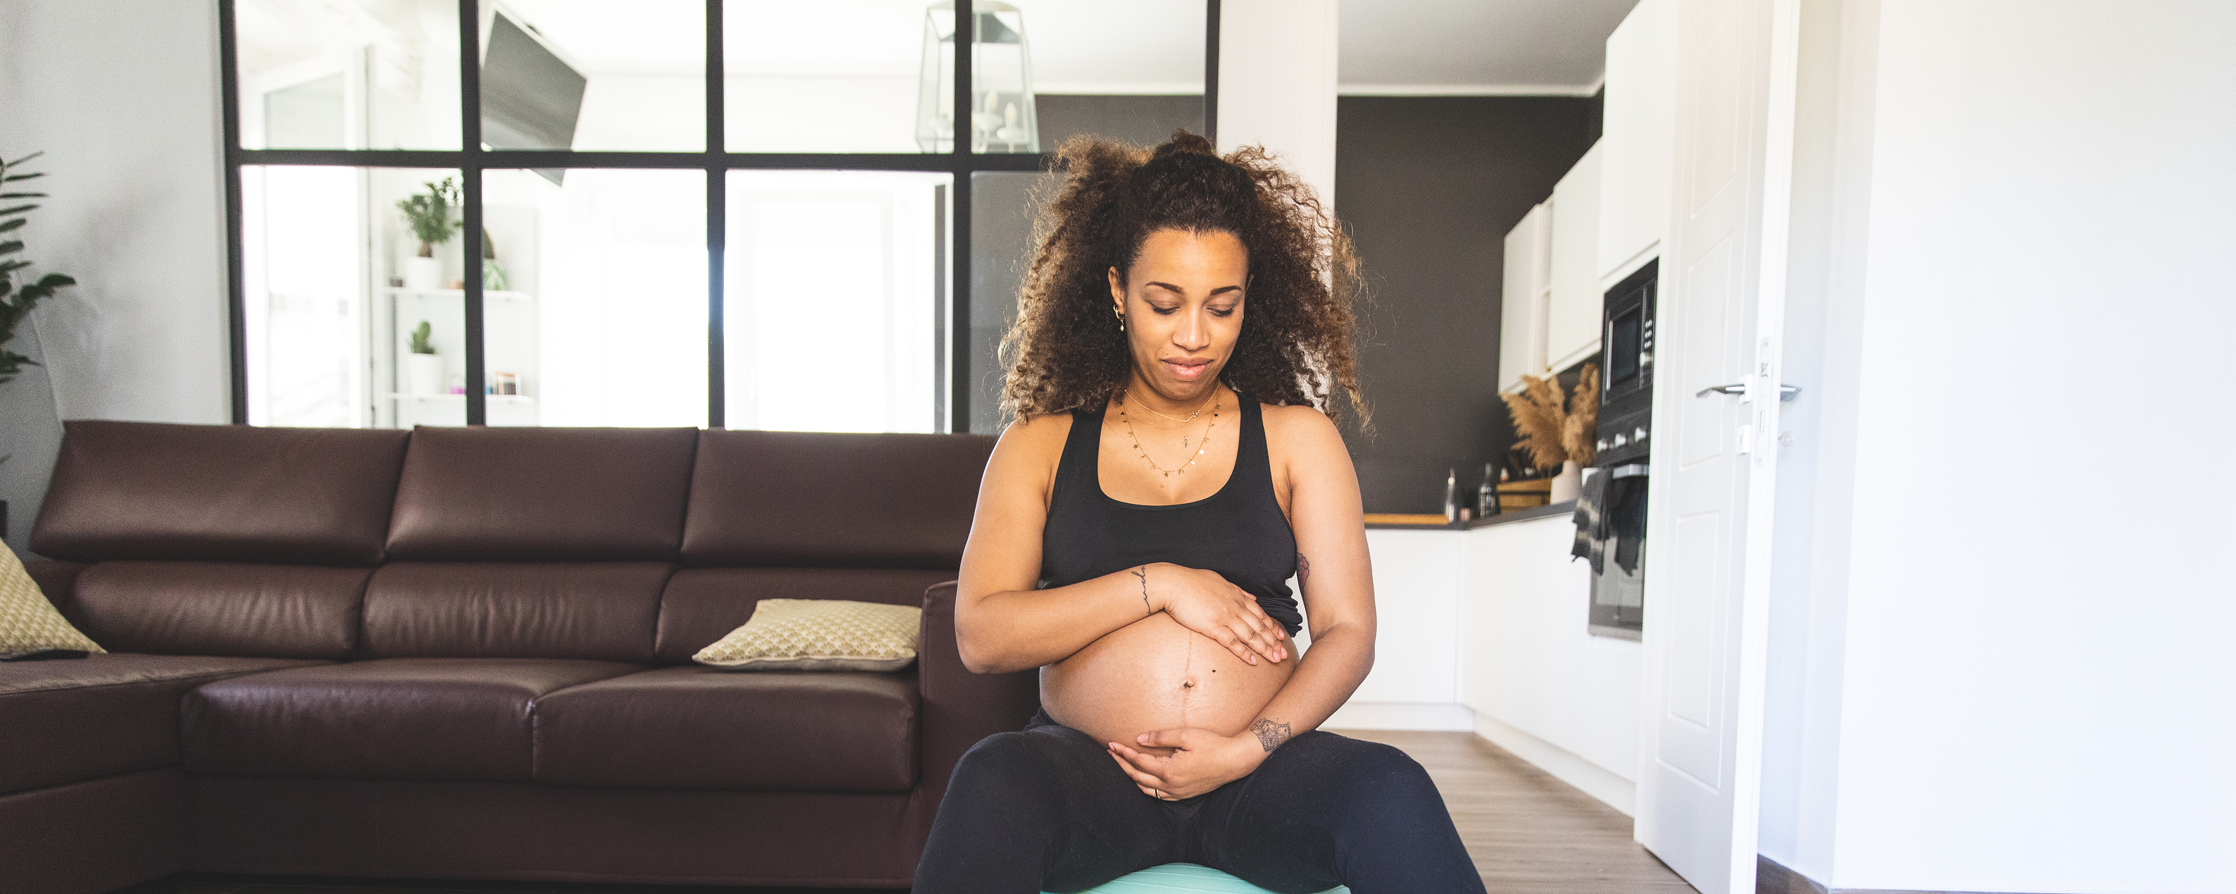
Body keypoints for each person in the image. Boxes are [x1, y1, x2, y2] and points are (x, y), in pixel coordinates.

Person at [913, 132, 1486, 894]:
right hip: (1094, 772)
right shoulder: (1039, 445)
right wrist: (1158, 583)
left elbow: (1349, 633)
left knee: (1393, 787)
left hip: (1258, 777)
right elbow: (982, 636)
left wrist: (1249, 747)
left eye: (1223, 306)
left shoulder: (1297, 440)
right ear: (1118, 290)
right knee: (993, 778)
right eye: (1164, 303)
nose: (1194, 336)